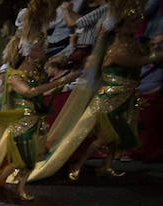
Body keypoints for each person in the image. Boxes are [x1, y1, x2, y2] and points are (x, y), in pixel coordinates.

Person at [30, 4, 161, 180]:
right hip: (111, 97)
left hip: (126, 96)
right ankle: (77, 166)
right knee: (104, 136)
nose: (136, 24)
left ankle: (106, 166)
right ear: (119, 27)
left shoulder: (132, 45)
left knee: (117, 134)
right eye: (131, 22)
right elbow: (137, 61)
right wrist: (156, 55)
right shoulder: (117, 50)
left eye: (137, 20)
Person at [0, 18, 78, 201]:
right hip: (22, 124)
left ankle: (21, 188)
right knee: (19, 160)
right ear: (29, 52)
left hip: (37, 121)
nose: (44, 50)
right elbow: (30, 92)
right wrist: (62, 81)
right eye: (40, 48)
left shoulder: (37, 73)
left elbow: (41, 91)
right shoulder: (14, 77)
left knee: (33, 157)